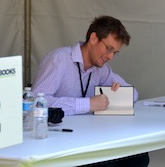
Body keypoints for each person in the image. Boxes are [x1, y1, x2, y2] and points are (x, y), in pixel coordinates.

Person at [32, 15, 149, 167]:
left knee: (139, 156)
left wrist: (119, 93)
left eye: (115, 53)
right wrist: (88, 104)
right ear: (93, 38)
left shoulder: (101, 69)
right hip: (59, 142)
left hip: (88, 137)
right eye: (109, 49)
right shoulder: (59, 59)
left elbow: (134, 94)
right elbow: (36, 102)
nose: (110, 57)